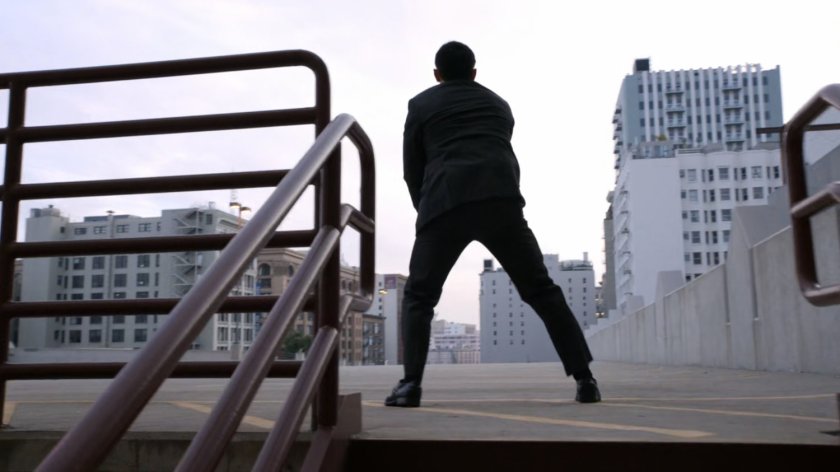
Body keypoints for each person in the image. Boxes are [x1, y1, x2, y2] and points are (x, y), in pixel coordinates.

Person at [385, 41, 601, 408]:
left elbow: (412, 168)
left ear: (437, 75)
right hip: (500, 201)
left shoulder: (421, 104)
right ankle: (585, 380)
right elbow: (498, 149)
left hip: (444, 202)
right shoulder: (499, 105)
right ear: (474, 73)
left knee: (419, 297)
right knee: (543, 292)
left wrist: (425, 210)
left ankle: (410, 387)